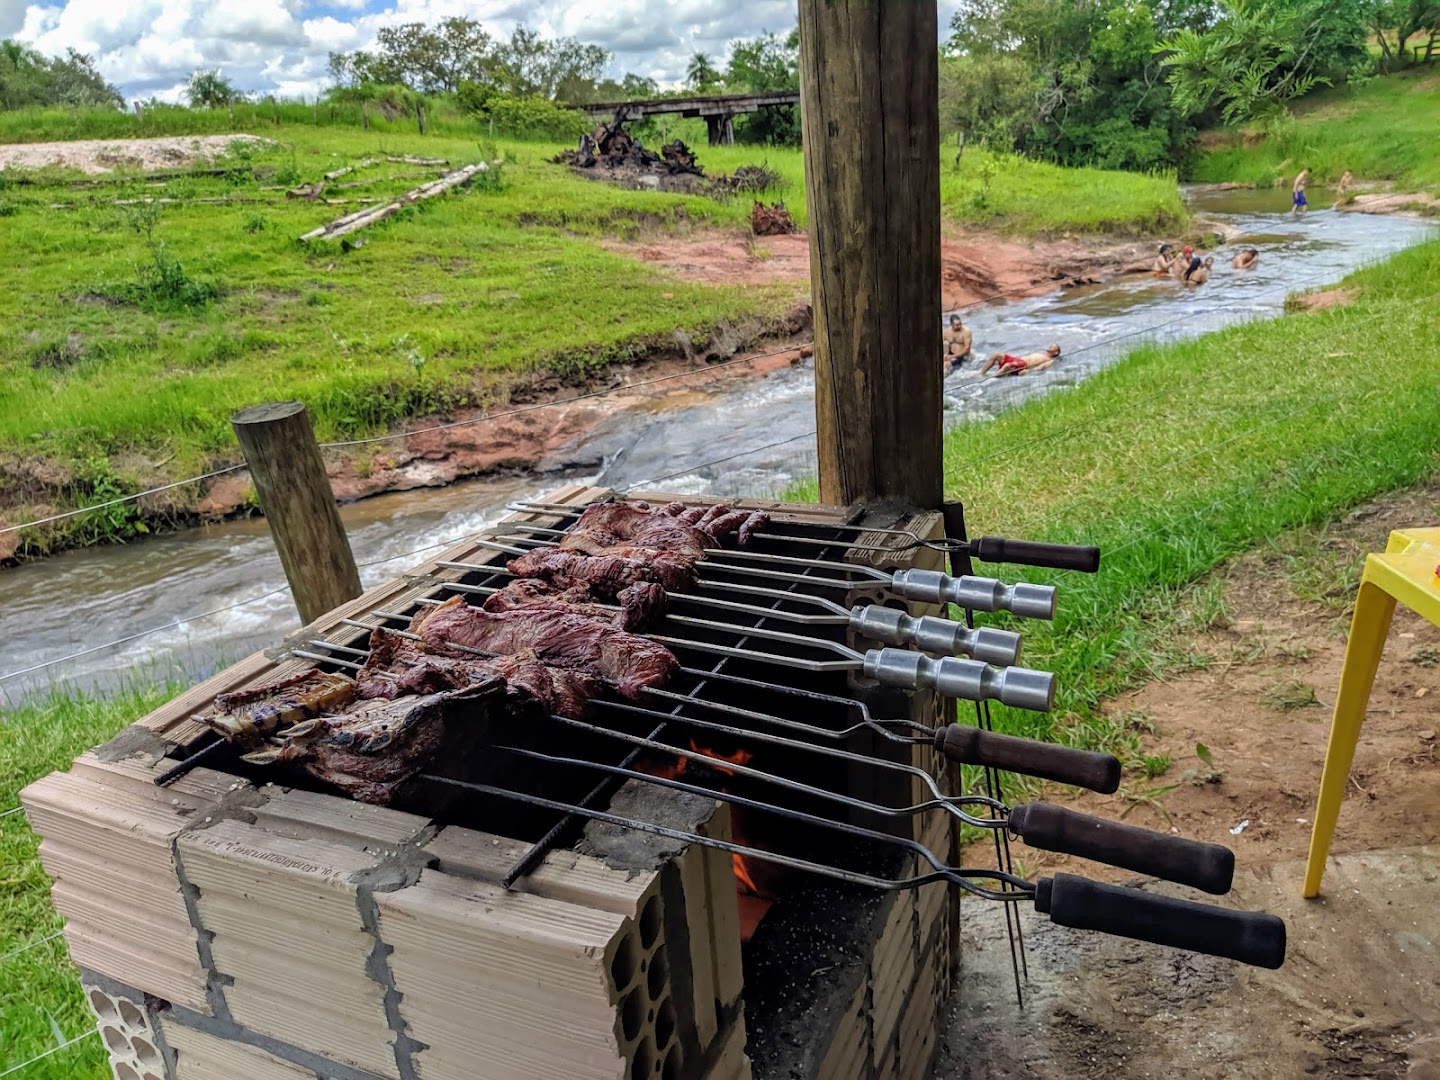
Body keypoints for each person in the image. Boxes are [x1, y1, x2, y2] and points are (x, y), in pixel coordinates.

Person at [978, 343, 1061, 377]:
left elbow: (1041, 368)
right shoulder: (1041, 354)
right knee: (996, 355)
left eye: (1052, 347)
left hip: (1023, 365)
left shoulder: (1050, 360)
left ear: (1056, 352)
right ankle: (981, 373)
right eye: (1050, 345)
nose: (1050, 346)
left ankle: (992, 378)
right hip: (1017, 360)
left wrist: (1028, 371)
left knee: (1007, 365)